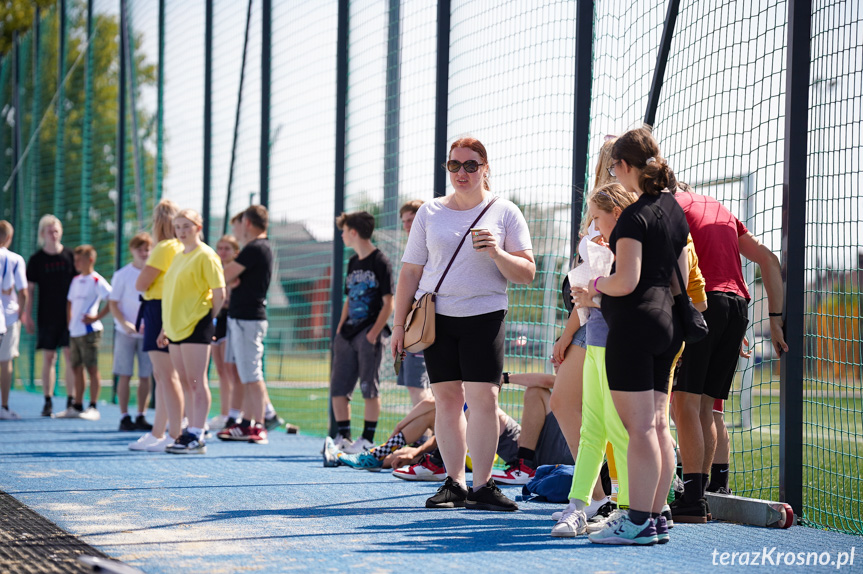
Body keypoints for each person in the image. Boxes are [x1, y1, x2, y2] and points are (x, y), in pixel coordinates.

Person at [392, 136, 535, 512]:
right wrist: (397, 327)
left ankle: (483, 485)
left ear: (486, 168)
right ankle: (454, 483)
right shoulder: (430, 212)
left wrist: (497, 251)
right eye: (454, 165)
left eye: (471, 165)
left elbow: (527, 272)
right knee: (447, 402)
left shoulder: (505, 212)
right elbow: (410, 272)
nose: (462, 172)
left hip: (485, 316)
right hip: (436, 318)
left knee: (484, 400)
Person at [582, 127, 688, 545]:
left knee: (640, 428)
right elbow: (679, 279)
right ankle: (656, 516)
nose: (613, 174)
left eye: (614, 167)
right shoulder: (674, 210)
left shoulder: (633, 215)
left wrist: (595, 285)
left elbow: (625, 281)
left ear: (624, 167)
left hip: (635, 327)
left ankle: (639, 519)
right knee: (659, 425)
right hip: (669, 325)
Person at [670, 181, 787, 521]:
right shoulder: (718, 207)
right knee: (707, 407)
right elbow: (768, 258)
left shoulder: (669, 207)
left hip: (703, 303)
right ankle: (701, 496)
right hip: (738, 307)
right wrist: (776, 319)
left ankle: (692, 498)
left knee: (685, 404)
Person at [553, 183, 638, 538]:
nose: (594, 227)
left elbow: (635, 300)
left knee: (620, 429)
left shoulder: (633, 247)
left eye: (597, 219)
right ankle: (578, 506)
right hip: (597, 344)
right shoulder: (609, 247)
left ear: (616, 214)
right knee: (591, 427)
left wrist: (593, 295)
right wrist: (588, 296)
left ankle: (632, 510)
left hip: (622, 347)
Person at [158, 209, 226, 454]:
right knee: (186, 381)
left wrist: (208, 319)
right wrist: (165, 327)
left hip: (197, 325)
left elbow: (219, 293)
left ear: (198, 227)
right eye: (178, 226)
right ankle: (191, 428)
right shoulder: (177, 256)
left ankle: (197, 433)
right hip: (175, 328)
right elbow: (172, 295)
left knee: (197, 381)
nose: (182, 231)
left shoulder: (206, 255)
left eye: (187, 226)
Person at [330, 211, 394, 454]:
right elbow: (349, 298)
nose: (343, 235)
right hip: (347, 333)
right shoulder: (352, 262)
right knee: (339, 388)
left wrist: (373, 333)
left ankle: (367, 438)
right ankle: (343, 435)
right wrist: (340, 328)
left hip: (369, 333)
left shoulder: (380, 261)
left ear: (353, 232)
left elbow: (389, 302)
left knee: (369, 386)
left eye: (344, 231)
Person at [217, 206, 277, 443]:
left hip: (248, 319)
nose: (235, 229)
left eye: (237, 224)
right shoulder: (256, 248)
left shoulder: (255, 248)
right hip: (243, 318)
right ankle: (247, 422)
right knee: (245, 373)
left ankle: (260, 425)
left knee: (252, 373)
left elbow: (224, 274)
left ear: (248, 224)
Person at [129, 200, 185, 452]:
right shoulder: (181, 246)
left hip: (158, 309)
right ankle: (159, 432)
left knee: (167, 376)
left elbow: (141, 283)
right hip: (168, 309)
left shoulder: (164, 248)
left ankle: (174, 433)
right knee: (163, 376)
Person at [24, 215, 76, 417]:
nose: (53, 235)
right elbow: (29, 290)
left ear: (60, 232)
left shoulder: (70, 256)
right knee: (49, 357)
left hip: (69, 316)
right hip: (47, 315)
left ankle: (71, 401)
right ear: (42, 234)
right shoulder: (36, 260)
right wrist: (27, 315)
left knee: (70, 356)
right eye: (48, 231)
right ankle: (47, 401)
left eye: (55, 231)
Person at [491, 371, 575, 485]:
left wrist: (504, 378)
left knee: (536, 391)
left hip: (563, 458)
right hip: (532, 452)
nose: (553, 360)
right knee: (477, 408)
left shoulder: (583, 374)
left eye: (559, 356)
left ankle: (524, 468)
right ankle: (521, 467)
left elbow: (547, 381)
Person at [110, 233, 154, 431]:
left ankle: (141, 415)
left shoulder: (155, 273)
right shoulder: (122, 275)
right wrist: (126, 324)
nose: (144, 253)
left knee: (146, 375)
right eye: (140, 249)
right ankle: (124, 415)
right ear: (132, 250)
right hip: (125, 332)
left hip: (148, 332)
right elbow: (113, 303)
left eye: (147, 249)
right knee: (125, 374)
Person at [65, 245, 112, 420]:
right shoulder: (75, 280)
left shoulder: (96, 280)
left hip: (90, 331)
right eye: (75, 259)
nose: (76, 263)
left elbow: (112, 299)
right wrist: (70, 322)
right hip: (75, 332)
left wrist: (96, 317)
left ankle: (93, 406)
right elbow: (69, 302)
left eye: (80, 260)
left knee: (91, 368)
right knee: (76, 368)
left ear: (90, 260)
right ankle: (77, 406)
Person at [397, 200, 432, 407]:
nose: (407, 225)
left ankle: (424, 437)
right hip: (412, 325)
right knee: (416, 385)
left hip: (425, 324)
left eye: (411, 220)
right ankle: (426, 436)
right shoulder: (413, 249)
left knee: (419, 387)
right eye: (404, 221)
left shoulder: (429, 247)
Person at [208, 234, 242, 432]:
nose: (222, 252)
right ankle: (223, 412)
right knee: (220, 370)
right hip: (216, 321)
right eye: (219, 248)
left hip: (231, 320)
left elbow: (228, 297)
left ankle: (235, 413)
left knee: (231, 370)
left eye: (227, 248)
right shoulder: (214, 269)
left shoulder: (235, 272)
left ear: (235, 252)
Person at [0, 221, 28, 420]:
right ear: (9, 237)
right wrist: (21, 314)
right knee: (6, 361)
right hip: (8, 317)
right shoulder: (15, 259)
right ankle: (4, 405)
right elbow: (23, 291)